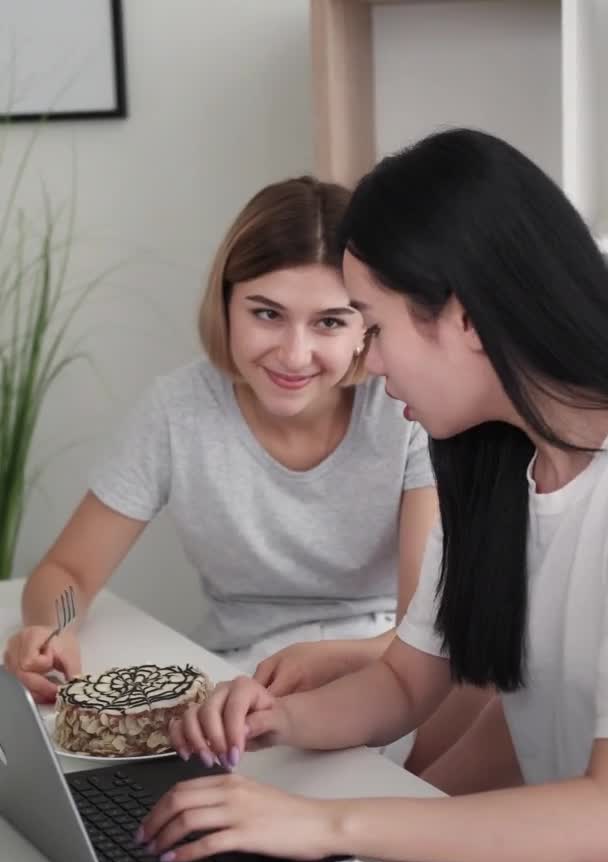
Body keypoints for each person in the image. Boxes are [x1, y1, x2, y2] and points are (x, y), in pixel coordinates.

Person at [136, 128, 608, 862]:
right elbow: (405, 682)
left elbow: (601, 811)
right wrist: (275, 720)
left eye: (374, 327)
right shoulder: (494, 466)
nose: (368, 360)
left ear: (467, 320)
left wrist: (324, 824)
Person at [4, 176, 445, 763]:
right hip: (235, 674)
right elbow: (67, 569)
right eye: (267, 313)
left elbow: (423, 631)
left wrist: (333, 658)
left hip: (386, 669)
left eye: (331, 322)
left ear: (368, 324)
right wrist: (50, 633)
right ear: (226, 304)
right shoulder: (178, 409)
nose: (293, 354)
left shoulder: (407, 411)